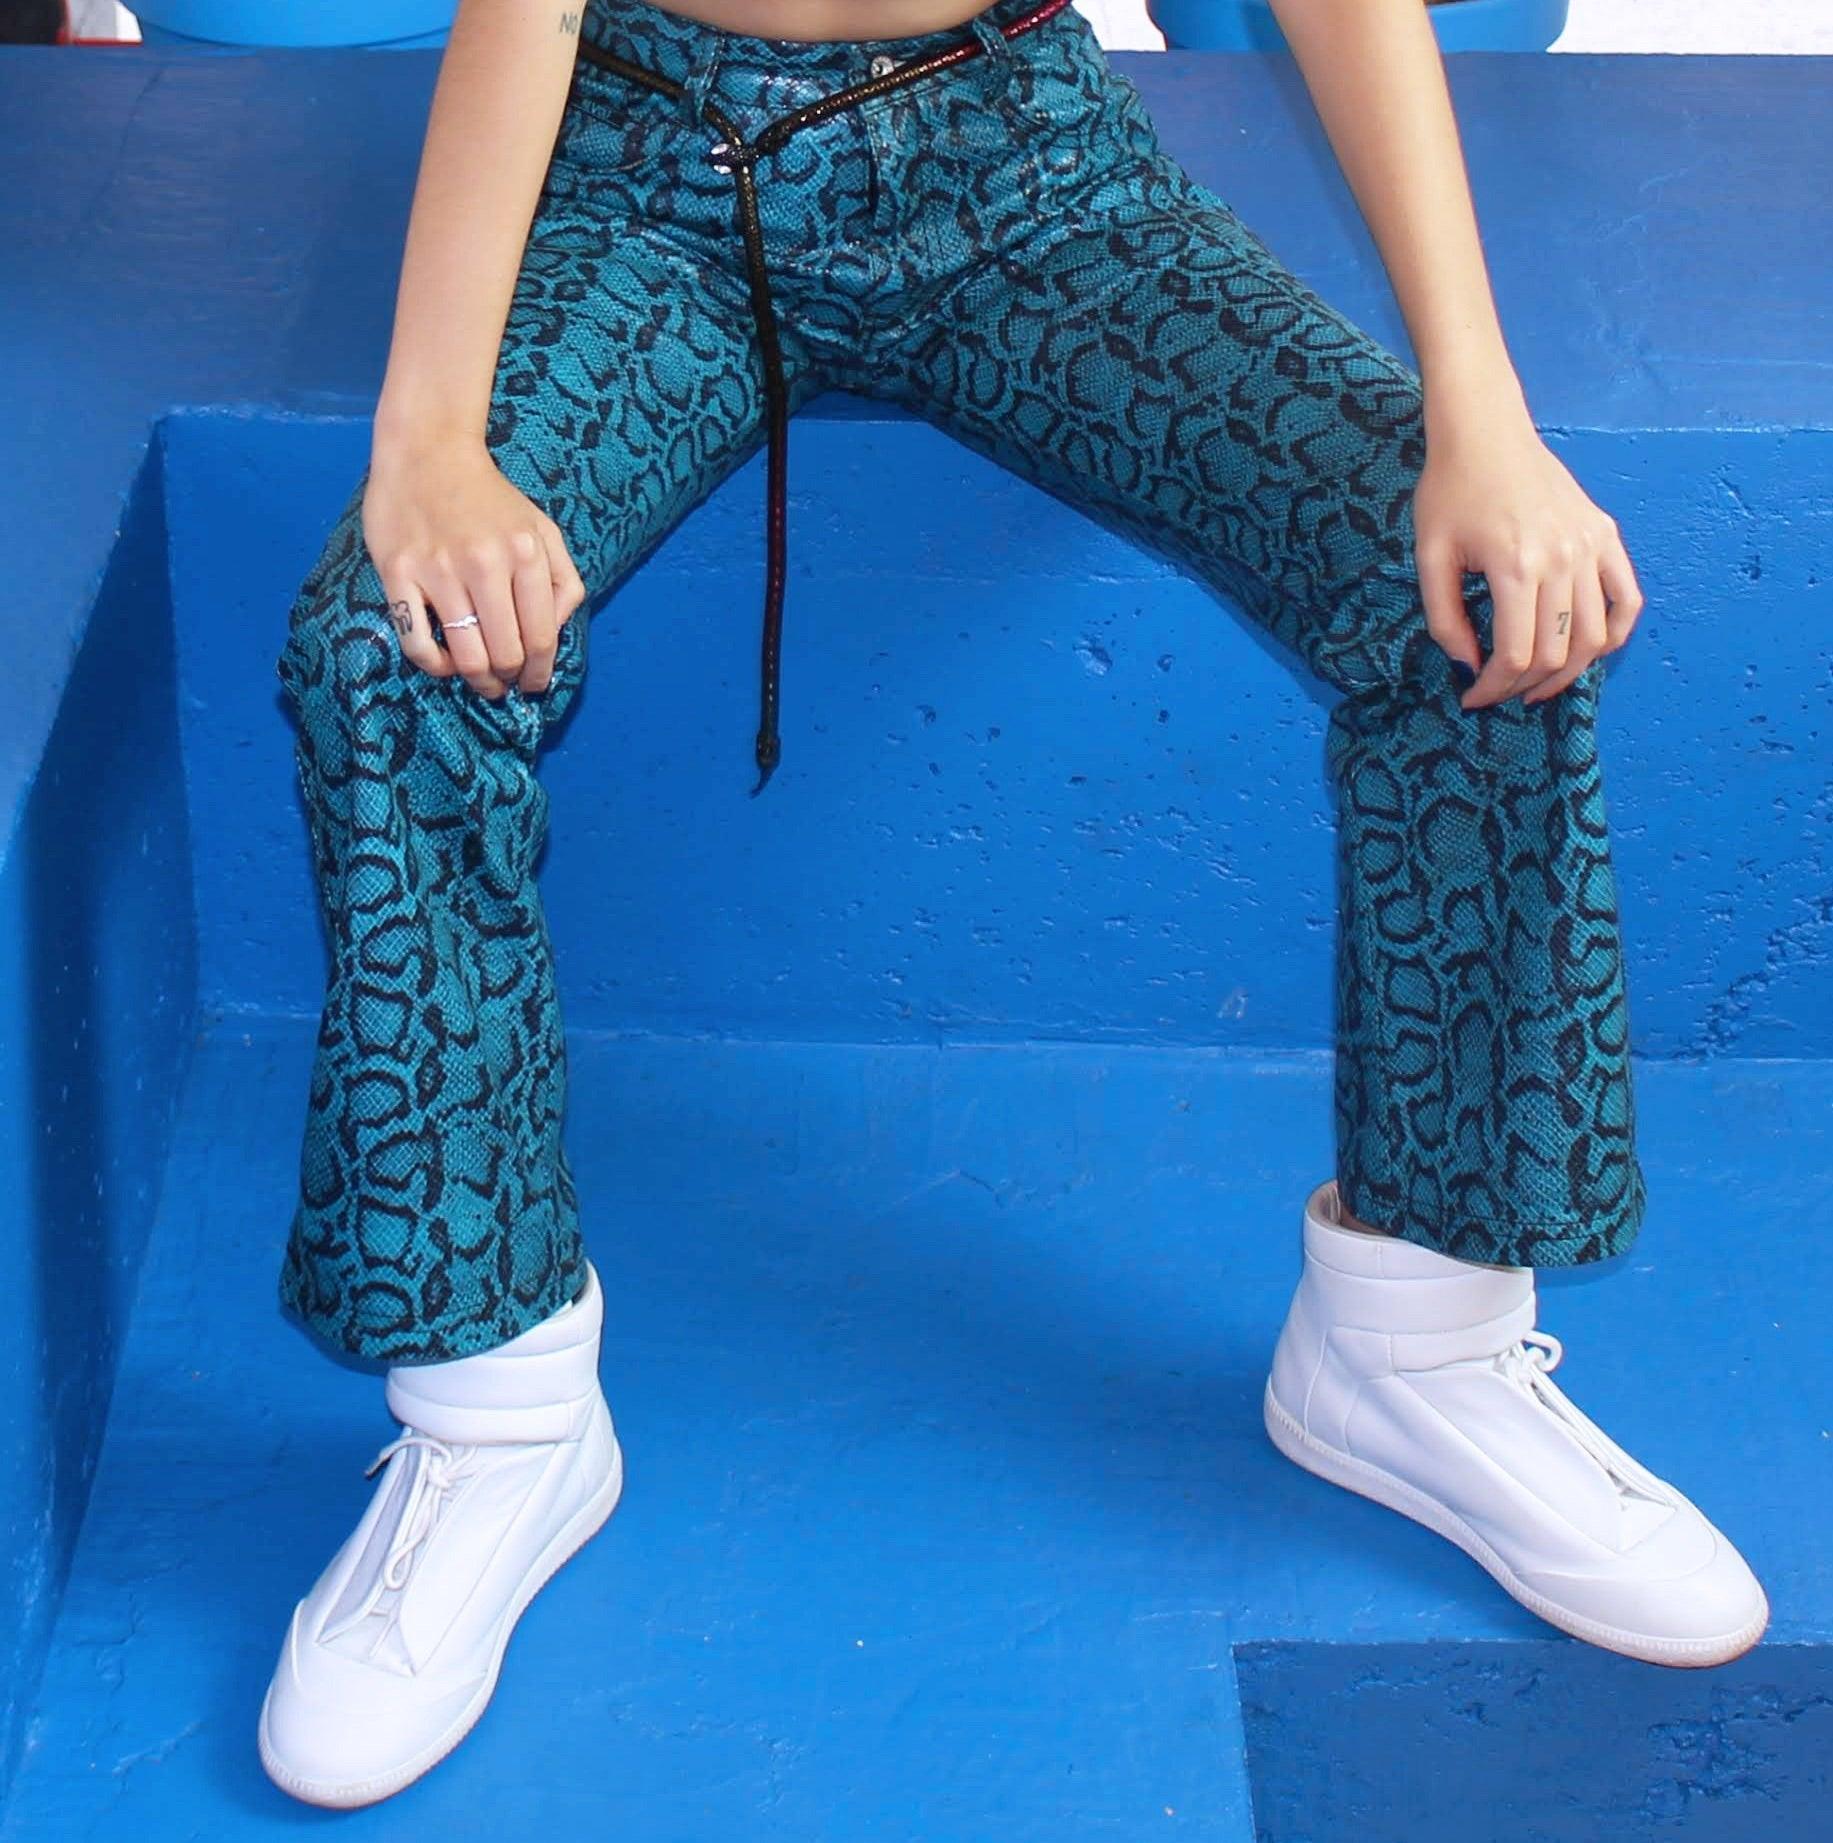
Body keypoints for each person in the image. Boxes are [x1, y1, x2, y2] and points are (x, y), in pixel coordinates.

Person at [256, 0, 1768, 1810]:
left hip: (1015, 163)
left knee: (1473, 585)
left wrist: (1480, 409)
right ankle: (494, 1420)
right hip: (653, 167)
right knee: (384, 654)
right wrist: (425, 436)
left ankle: (1414, 1347)